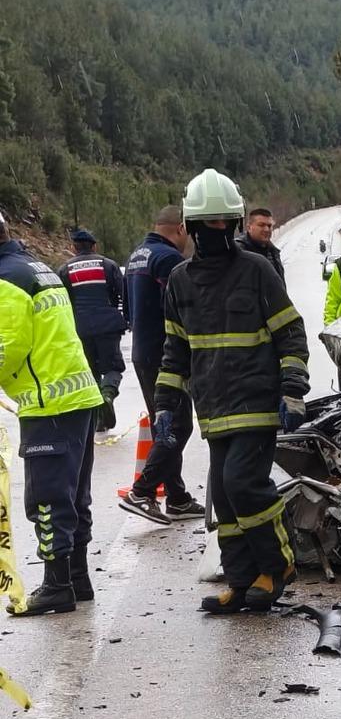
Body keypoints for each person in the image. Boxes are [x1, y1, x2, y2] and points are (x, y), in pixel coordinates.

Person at [154, 168, 309, 614]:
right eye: (208, 223)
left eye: (223, 222)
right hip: (214, 406)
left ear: (235, 223)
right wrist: (165, 405)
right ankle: (242, 582)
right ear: (191, 225)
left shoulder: (257, 270)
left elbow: (290, 333)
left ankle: (277, 566)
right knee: (223, 495)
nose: (215, 230)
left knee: (242, 482)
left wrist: (293, 387)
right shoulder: (181, 281)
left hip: (257, 401)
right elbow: (175, 350)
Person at [0, 210, 103, 614]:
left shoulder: (7, 281)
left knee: (47, 497)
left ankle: (57, 586)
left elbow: (8, 345)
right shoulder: (36, 268)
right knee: (75, 495)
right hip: (76, 396)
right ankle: (78, 579)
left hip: (49, 403)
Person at [121, 206, 203, 524]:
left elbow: (127, 309)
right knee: (178, 426)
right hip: (167, 355)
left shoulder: (137, 256)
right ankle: (142, 491)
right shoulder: (169, 259)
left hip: (143, 352)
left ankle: (177, 497)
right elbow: (184, 309)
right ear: (180, 228)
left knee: (164, 423)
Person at [56, 228, 127, 433]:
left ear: (73, 247)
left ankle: (99, 418)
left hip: (80, 328)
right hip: (108, 326)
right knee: (113, 367)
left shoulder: (65, 270)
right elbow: (121, 294)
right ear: (94, 246)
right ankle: (108, 395)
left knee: (90, 371)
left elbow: (64, 301)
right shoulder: (108, 265)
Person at [236, 207, 285, 279]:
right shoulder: (238, 253)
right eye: (261, 225)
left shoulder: (273, 253)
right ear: (249, 227)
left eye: (269, 226)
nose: (266, 229)